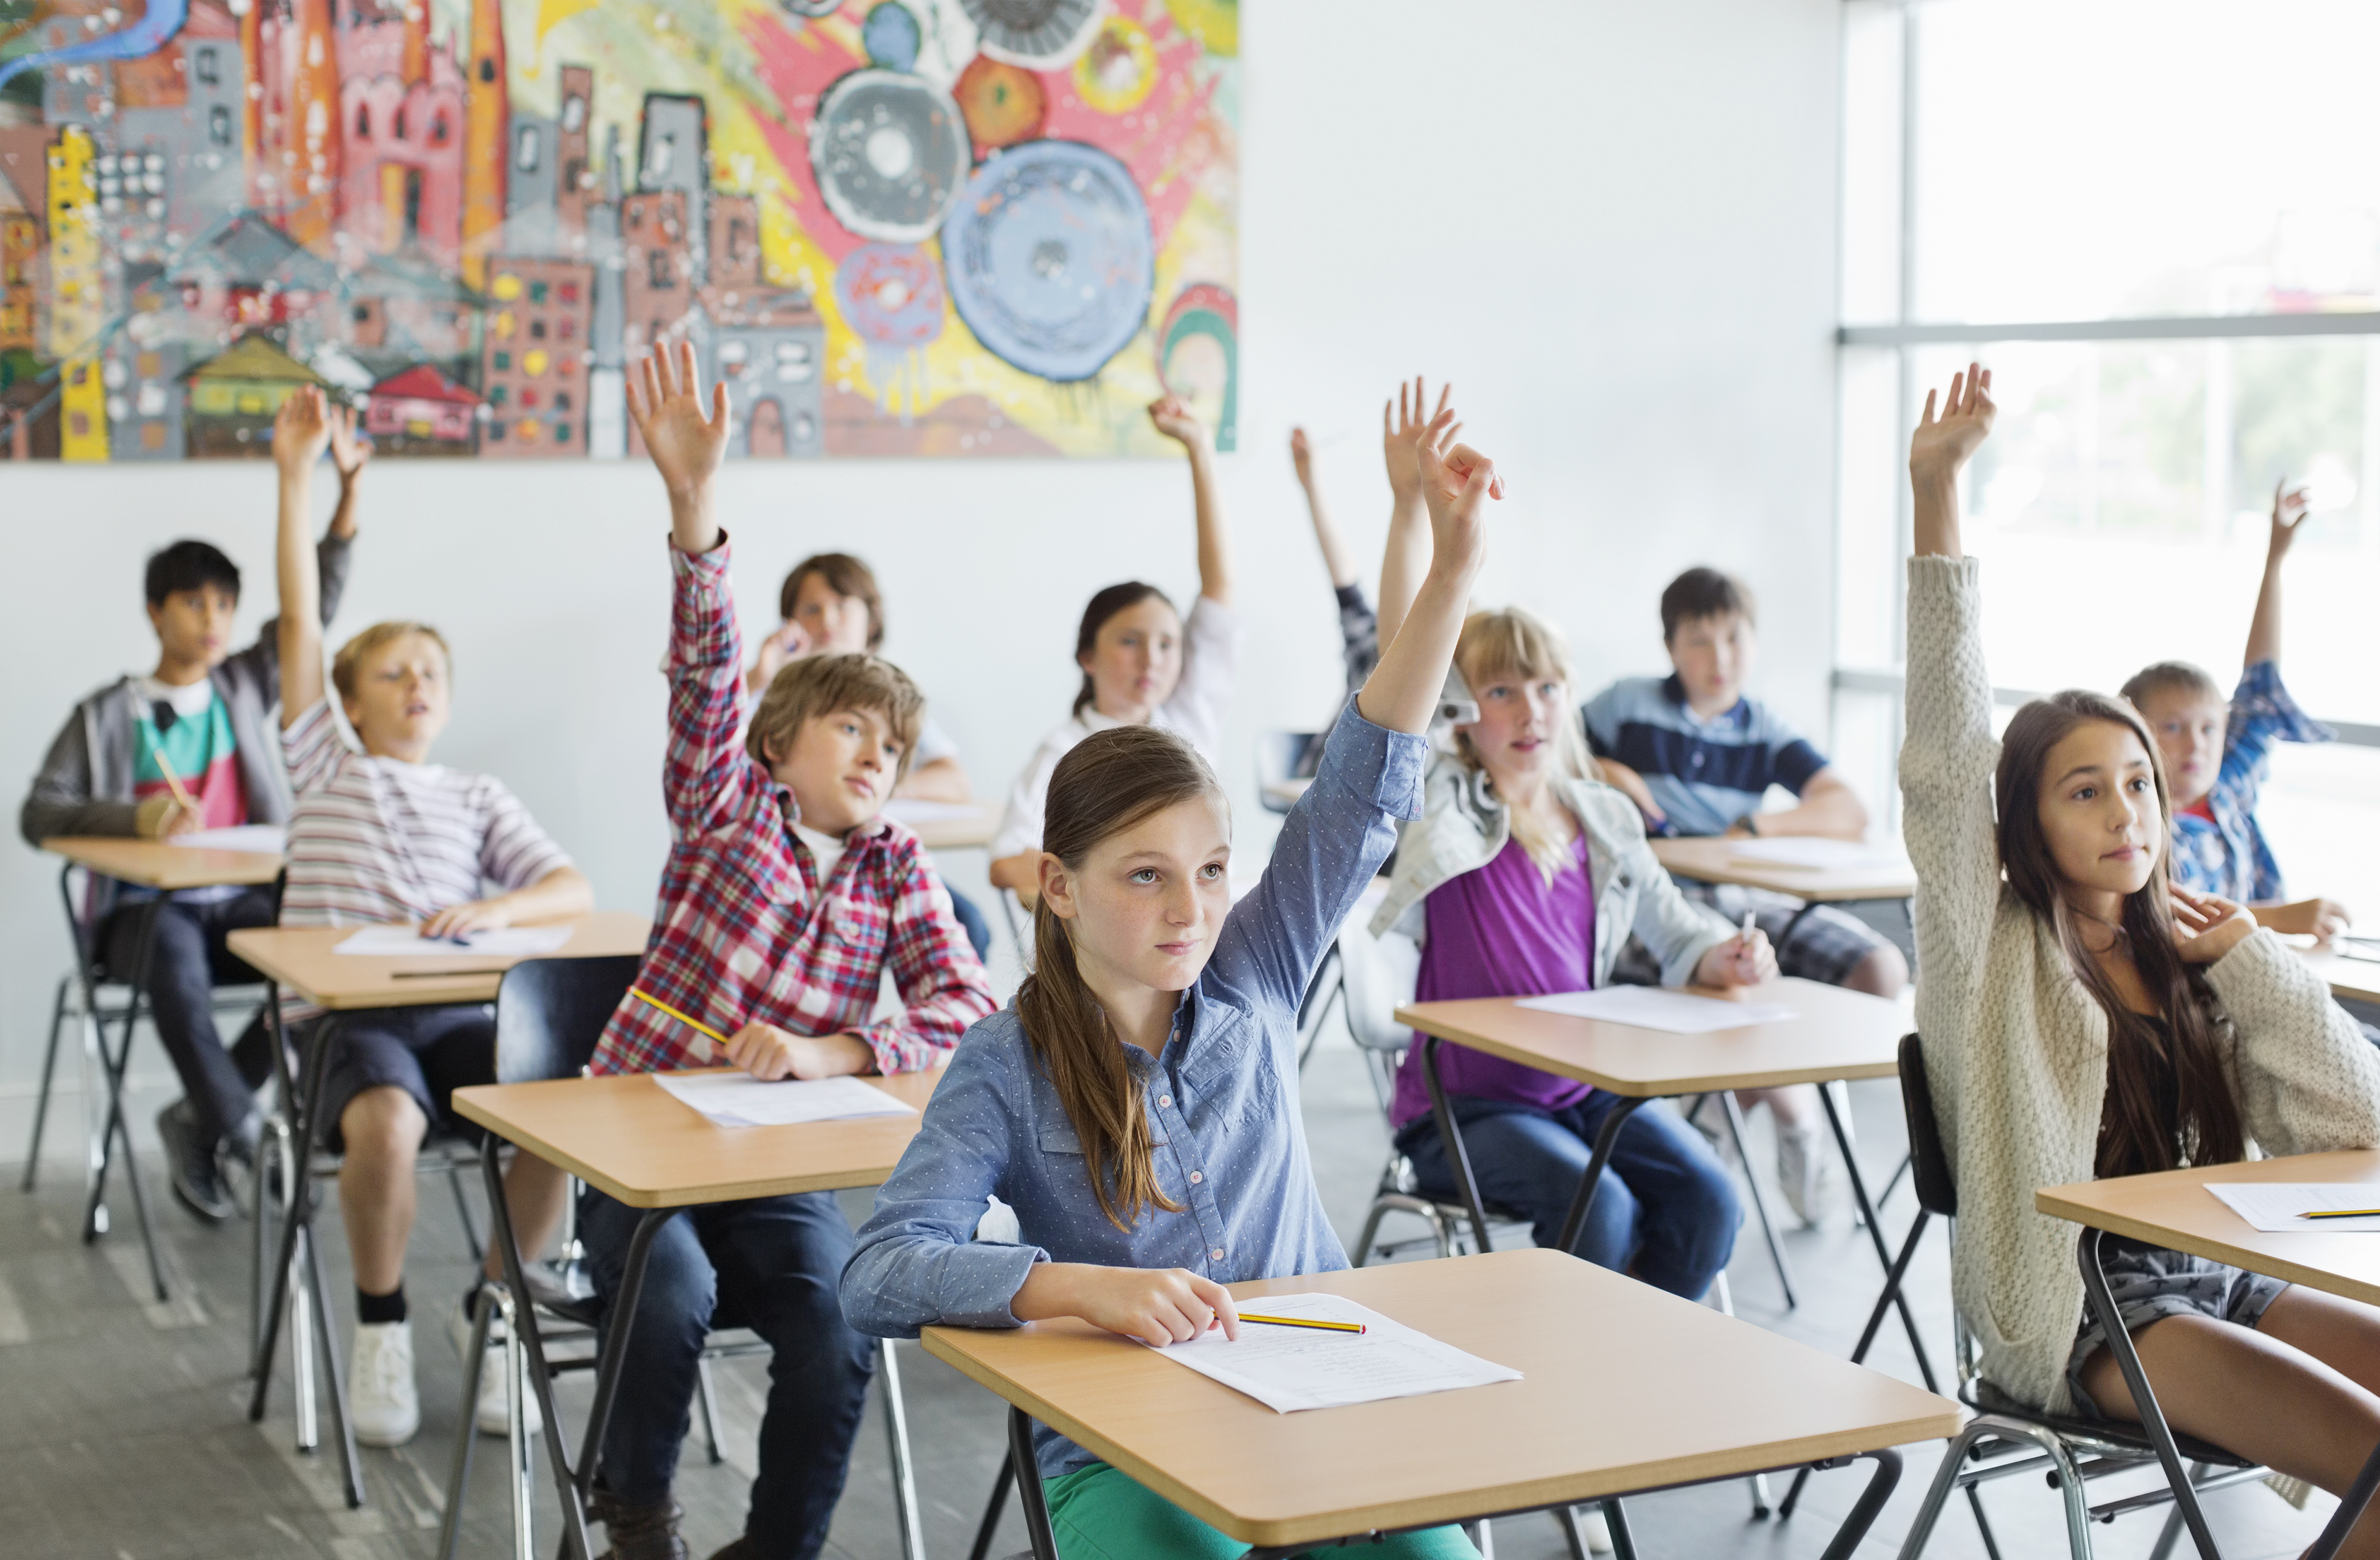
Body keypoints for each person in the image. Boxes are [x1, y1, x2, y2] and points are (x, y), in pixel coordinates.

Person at [842, 404, 1503, 1560]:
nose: (1188, 907)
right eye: (1144, 875)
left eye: (1203, 870)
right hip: (1121, 1446)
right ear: (1057, 884)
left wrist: (1449, 568)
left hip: (1325, 1396)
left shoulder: (1252, 971)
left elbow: (1362, 786)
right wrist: (1072, 1287)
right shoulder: (1007, 1062)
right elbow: (880, 1267)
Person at [1904, 362, 2380, 1546]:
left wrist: (2254, 965)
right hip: (2080, 1315)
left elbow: (2349, 1128)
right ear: (2022, 821)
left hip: (2213, 1275)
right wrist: (1935, 495)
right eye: (2083, 790)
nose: (2125, 810)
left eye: (2135, 783)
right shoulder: (1990, 949)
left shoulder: (2184, 954)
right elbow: (1947, 751)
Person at [579, 344, 997, 1560]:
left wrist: (837, 1047)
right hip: (641, 1139)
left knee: (836, 1317)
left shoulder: (895, 861)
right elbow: (703, 679)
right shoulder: (726, 805)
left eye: (892, 740)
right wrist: (693, 510)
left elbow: (967, 1008)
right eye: (850, 728)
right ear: (778, 745)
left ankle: (776, 1553)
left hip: (775, 1165)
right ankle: (636, 1520)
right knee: (672, 1297)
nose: (876, 753)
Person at [270, 387, 594, 1449]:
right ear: (347, 702)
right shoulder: (324, 767)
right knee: (389, 1124)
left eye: (431, 672)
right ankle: (380, 1319)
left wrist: (492, 906)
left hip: (459, 1013)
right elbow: (304, 621)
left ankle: (498, 1312)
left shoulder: (475, 794)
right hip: (349, 1028)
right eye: (392, 671)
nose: (416, 684)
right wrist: (298, 480)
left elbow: (570, 890)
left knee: (558, 1105)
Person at [1372, 595, 1766, 1301]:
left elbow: (1677, 930)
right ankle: (1571, 1383)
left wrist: (1723, 956)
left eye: (1547, 688)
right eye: (1501, 692)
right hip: (1462, 1109)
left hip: (1583, 1095)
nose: (1532, 712)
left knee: (1709, 1198)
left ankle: (1631, 1359)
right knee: (1601, 1206)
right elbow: (1407, 698)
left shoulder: (1603, 817)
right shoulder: (1446, 805)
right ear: (1461, 711)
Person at [20, 428, 363, 1223]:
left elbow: (318, 604)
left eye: (224, 604)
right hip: (144, 916)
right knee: (173, 956)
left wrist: (346, 494)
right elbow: (39, 812)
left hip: (239, 901)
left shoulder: (245, 683)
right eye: (194, 602)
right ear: (155, 611)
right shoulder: (107, 713)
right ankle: (244, 1131)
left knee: (318, 951)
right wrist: (136, 818)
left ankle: (203, 1117)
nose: (212, 619)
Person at [1581, 567, 1909, 1225]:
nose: (1719, 659)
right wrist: (1612, 772)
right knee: (1743, 977)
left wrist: (1761, 824)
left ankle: (1743, 1101)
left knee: (1879, 969)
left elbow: (1847, 809)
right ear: (1670, 646)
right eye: (1700, 641)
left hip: (1744, 895)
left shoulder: (1762, 728)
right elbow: (1555, 758)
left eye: (1734, 639)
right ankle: (1793, 1113)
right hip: (1658, 903)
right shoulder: (1627, 705)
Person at [987, 394, 1240, 900]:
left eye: (1168, 644)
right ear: (1087, 657)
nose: (1152, 659)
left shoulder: (1187, 717)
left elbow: (1220, 588)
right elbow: (1005, 861)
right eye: (1129, 641)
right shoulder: (1065, 751)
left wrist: (1199, 450)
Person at [2123, 478, 2351, 943]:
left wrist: (2275, 558)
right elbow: (2168, 921)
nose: (2196, 744)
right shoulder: (2137, 831)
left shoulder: (2228, 788)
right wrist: (2280, 918)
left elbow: (2259, 683)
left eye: (2210, 728)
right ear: (2134, 737)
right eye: (2172, 727)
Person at [744, 550, 993, 957]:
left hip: (871, 860)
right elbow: (716, 754)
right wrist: (757, 676)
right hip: (787, 856)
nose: (827, 622)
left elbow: (954, 779)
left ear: (871, 619)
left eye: (842, 606)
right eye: (811, 609)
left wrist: (871, 784)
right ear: (788, 625)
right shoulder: (769, 693)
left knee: (968, 924)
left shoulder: (889, 699)